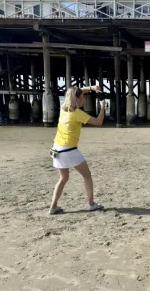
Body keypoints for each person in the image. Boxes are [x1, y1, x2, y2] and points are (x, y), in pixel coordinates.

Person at [48, 85, 106, 214]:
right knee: (87, 176)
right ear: (77, 99)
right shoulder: (77, 113)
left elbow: (73, 92)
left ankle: (53, 207)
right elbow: (98, 122)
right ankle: (91, 204)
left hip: (57, 149)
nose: (84, 97)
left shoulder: (64, 109)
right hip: (69, 150)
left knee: (63, 179)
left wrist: (91, 88)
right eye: (83, 96)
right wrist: (103, 108)